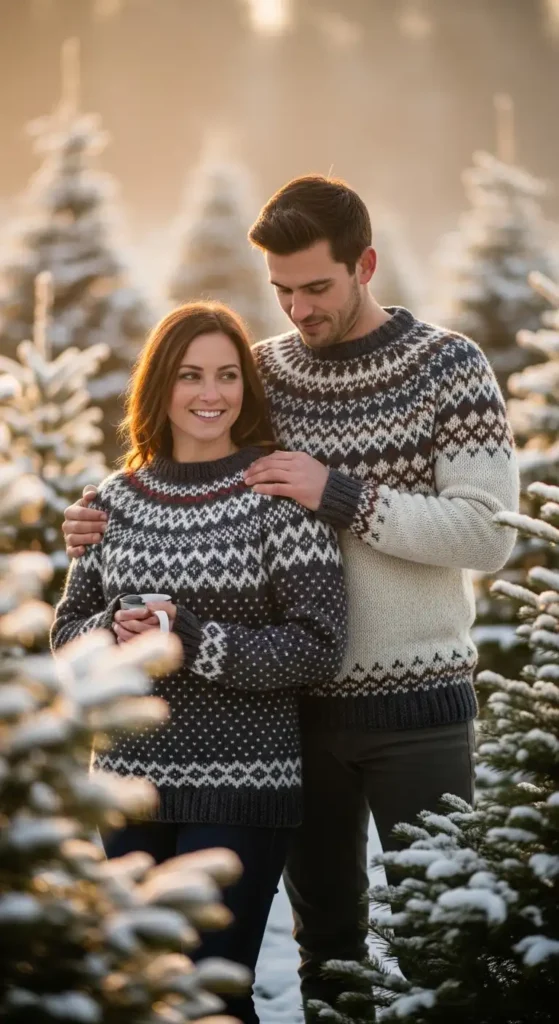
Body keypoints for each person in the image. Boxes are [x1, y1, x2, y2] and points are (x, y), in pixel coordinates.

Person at [61, 176, 519, 1019]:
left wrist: (336, 492)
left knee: (435, 943)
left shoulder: (447, 367)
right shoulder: (263, 372)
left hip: (417, 710)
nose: (298, 309)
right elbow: (191, 476)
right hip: (295, 711)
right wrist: (97, 526)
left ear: (365, 264)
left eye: (317, 287)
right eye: (282, 290)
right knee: (329, 948)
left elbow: (487, 534)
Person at [51, 300, 347, 1024]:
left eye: (225, 375)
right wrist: (112, 634)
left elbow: (319, 644)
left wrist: (195, 640)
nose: (209, 394)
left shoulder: (276, 497)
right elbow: (65, 637)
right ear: (160, 386)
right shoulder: (112, 500)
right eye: (189, 375)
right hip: (126, 785)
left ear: (246, 386)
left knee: (210, 993)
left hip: (242, 784)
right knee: (142, 992)